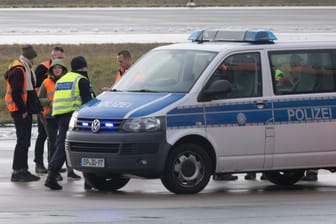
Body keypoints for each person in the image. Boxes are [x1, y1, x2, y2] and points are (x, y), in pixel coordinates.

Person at [44, 56, 95, 190]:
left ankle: (51, 176)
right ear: (84, 67)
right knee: (87, 146)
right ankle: (89, 181)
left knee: (61, 146)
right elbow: (88, 103)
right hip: (76, 117)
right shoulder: (81, 80)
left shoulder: (63, 79)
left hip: (60, 116)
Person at [4, 45, 42, 182]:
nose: (34, 61)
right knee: (22, 141)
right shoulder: (20, 70)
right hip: (20, 111)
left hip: (22, 110)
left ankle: (23, 170)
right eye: (34, 58)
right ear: (30, 58)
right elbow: (15, 93)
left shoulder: (23, 68)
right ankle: (18, 171)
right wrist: (23, 110)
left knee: (24, 141)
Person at [34, 46, 65, 174]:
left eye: (62, 58)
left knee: (55, 138)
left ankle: (53, 163)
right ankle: (39, 163)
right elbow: (36, 91)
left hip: (57, 111)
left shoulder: (62, 71)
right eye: (57, 57)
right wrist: (40, 108)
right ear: (52, 57)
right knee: (43, 136)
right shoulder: (42, 69)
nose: (60, 60)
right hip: (43, 110)